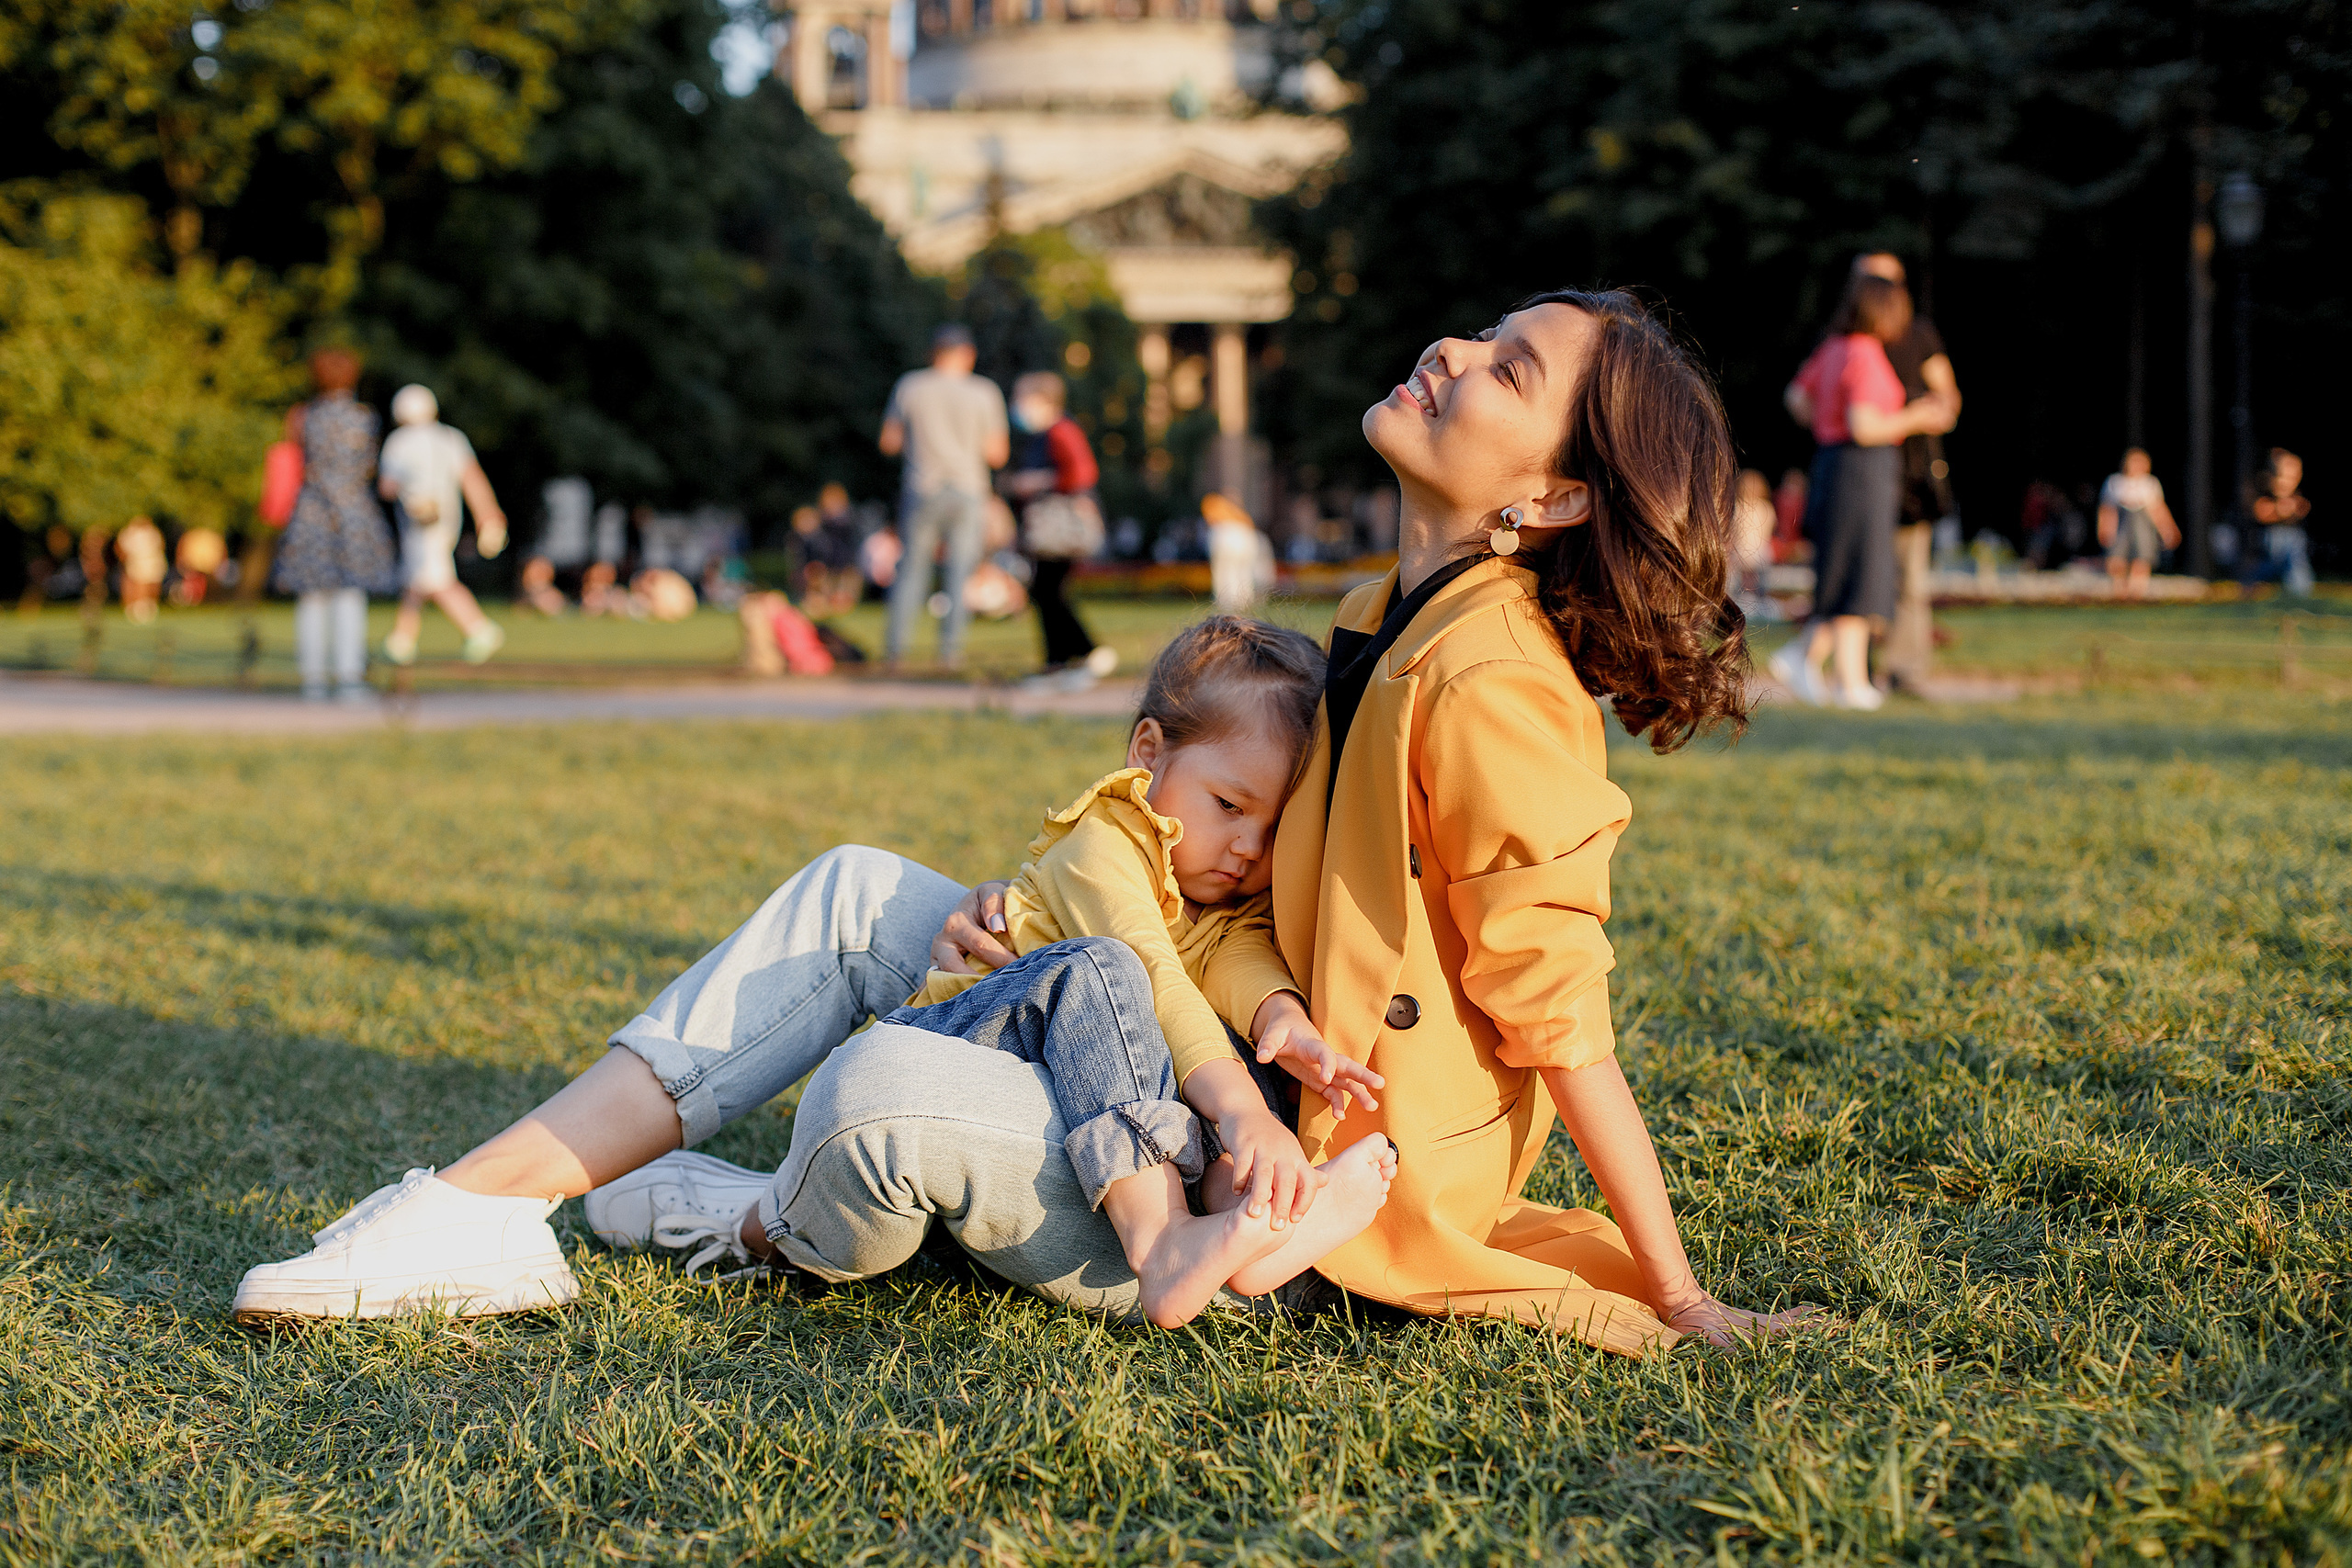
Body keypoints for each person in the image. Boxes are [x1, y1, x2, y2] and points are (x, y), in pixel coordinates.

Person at [229, 288, 1820, 1354]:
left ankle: (743, 1213)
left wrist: (1679, 1295)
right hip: (1202, 1070)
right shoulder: (1378, 614)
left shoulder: (1495, 678)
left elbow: (1562, 1012)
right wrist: (1056, 940)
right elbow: (1248, 908)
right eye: (1478, 331)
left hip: (1274, 1192)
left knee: (878, 1086)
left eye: (1508, 370)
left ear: (1547, 498)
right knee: (863, 892)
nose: (1456, 354)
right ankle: (479, 1211)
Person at [1772, 276, 1953, 709]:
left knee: (1842, 570)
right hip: (1863, 468)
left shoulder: (1834, 348)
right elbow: (1865, 425)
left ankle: (1813, 662)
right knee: (1860, 570)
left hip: (1832, 464)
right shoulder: (1866, 355)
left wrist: (1824, 423)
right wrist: (1916, 418)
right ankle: (1851, 682)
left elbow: (1796, 397)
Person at [1850, 253, 1962, 688]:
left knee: (1910, 577)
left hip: (1909, 474)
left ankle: (1904, 668)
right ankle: (1856, 668)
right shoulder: (1847, 339)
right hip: (1859, 472)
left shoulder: (1919, 335)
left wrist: (1924, 415)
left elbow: (1950, 399)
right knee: (1862, 571)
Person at [878, 324, 1009, 671]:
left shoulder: (911, 386)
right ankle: (949, 654)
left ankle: (896, 652)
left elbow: (888, 442)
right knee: (958, 573)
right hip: (968, 491)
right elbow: (997, 454)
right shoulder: (984, 392)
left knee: (911, 571)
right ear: (968, 354)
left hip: (922, 488)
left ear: (934, 353)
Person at [274, 348, 399, 702]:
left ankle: (312, 680)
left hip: (311, 511)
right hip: (352, 512)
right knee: (349, 596)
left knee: (312, 598)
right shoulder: (362, 418)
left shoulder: (302, 417)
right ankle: (348, 678)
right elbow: (367, 465)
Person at [378, 385, 509, 667]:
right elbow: (471, 479)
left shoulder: (399, 442)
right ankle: (402, 640)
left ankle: (480, 629)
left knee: (435, 579)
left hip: (419, 521)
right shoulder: (451, 437)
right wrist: (488, 513)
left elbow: (388, 487)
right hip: (448, 518)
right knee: (418, 576)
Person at [1003, 371, 1116, 689]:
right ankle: (1063, 660)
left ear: (1044, 401)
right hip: (1050, 530)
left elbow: (1081, 474)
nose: (1018, 407)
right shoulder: (1045, 435)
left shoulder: (1061, 431)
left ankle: (1082, 653)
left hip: (1060, 529)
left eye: (1023, 399)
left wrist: (1038, 481)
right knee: (1046, 592)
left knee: (1049, 592)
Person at [2098, 448, 2180, 599]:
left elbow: (2158, 510)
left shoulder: (2150, 483)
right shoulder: (2114, 482)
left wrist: (2168, 529)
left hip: (2142, 524)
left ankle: (2137, 593)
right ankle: (2120, 593)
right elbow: (2107, 509)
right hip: (2122, 524)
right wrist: (2104, 528)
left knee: (2142, 557)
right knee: (2116, 559)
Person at [2245, 448, 2314, 596]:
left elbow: (2303, 509)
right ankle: (2251, 584)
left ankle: (2299, 589)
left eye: (2292, 477)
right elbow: (2259, 512)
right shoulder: (2264, 491)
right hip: (2267, 550)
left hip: (2292, 552)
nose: (2286, 482)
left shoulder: (2296, 496)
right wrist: (2280, 512)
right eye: (2282, 476)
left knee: (2296, 553)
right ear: (2271, 475)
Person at [1729, 468, 1778, 617]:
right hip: (1761, 551)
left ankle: (1744, 607)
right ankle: (1759, 609)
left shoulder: (1738, 507)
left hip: (1742, 551)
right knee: (1757, 584)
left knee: (1743, 584)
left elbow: (1733, 533)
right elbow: (1768, 532)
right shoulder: (1766, 508)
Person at [115, 515, 166, 624]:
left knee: (151, 584)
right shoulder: (130, 532)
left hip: (152, 561)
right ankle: (137, 608)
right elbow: (121, 548)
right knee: (139, 584)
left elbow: (160, 545)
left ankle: (149, 606)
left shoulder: (153, 532)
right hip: (137, 561)